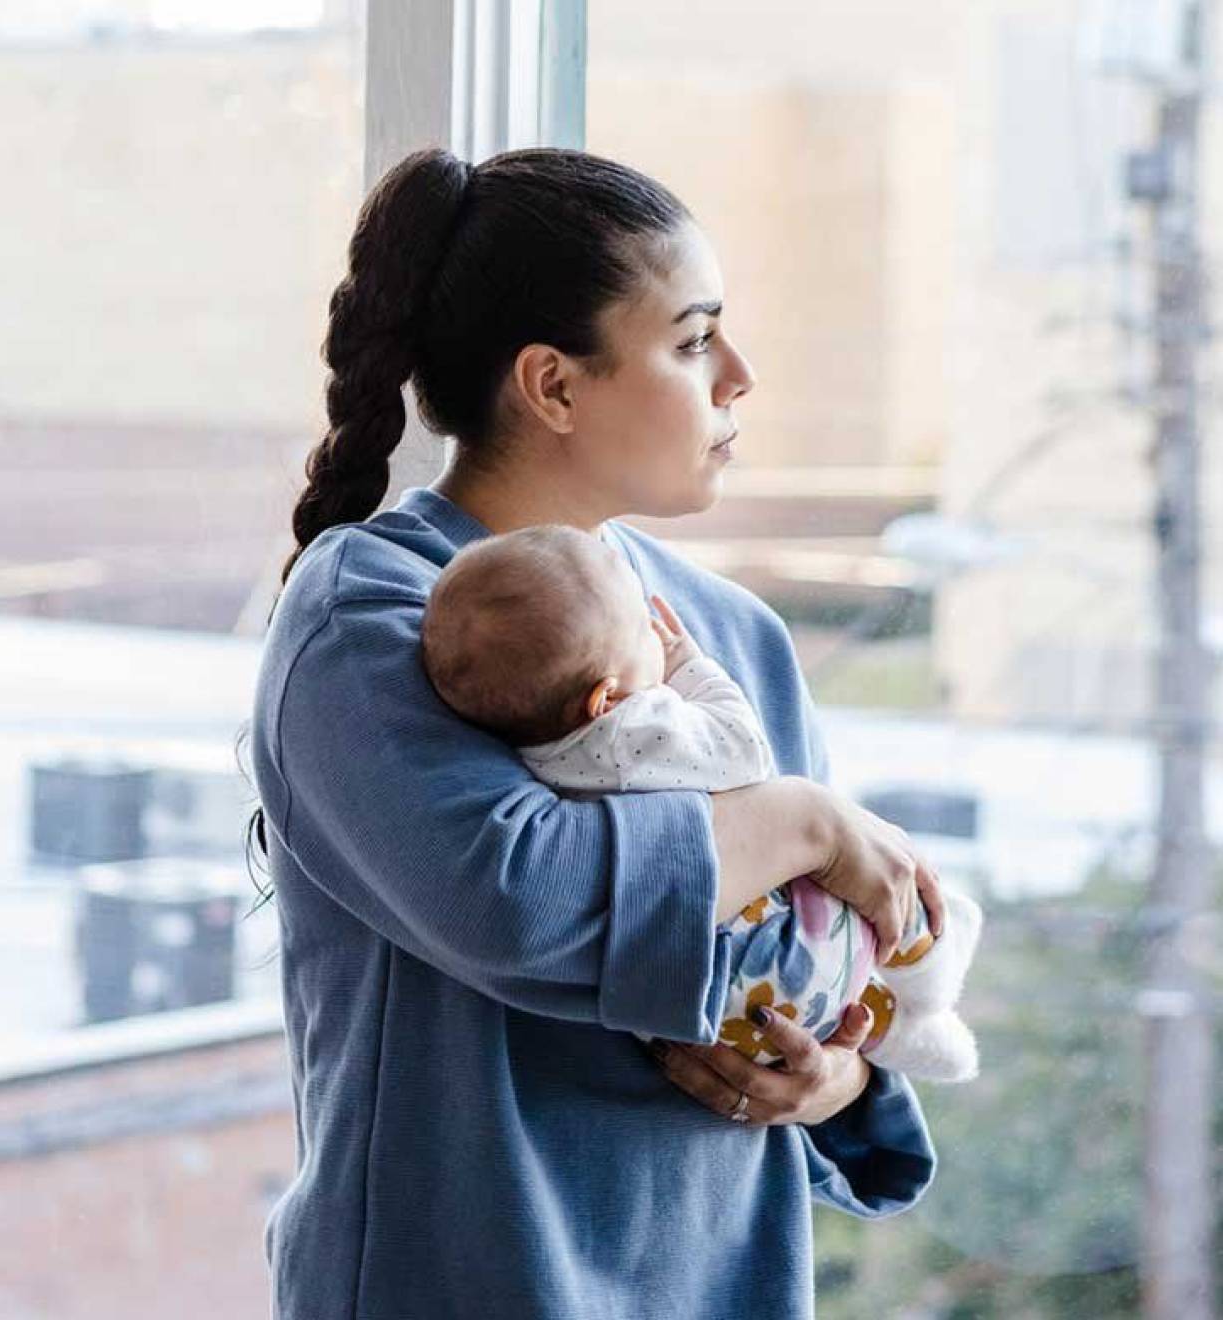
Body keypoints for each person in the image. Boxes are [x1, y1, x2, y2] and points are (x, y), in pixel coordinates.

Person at [246, 146, 941, 1320]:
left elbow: (817, 941)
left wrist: (833, 1080)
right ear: (554, 386)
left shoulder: (734, 634)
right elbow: (517, 896)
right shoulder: (370, 618)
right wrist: (799, 819)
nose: (740, 377)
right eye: (692, 340)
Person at [419, 523, 982, 1084]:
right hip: (784, 954)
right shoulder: (630, 733)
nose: (657, 638)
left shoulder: (530, 751)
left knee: (846, 971)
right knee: (892, 888)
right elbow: (744, 752)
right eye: (643, 630)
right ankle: (930, 985)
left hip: (718, 1009)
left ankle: (899, 1033)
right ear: (605, 697)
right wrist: (690, 668)